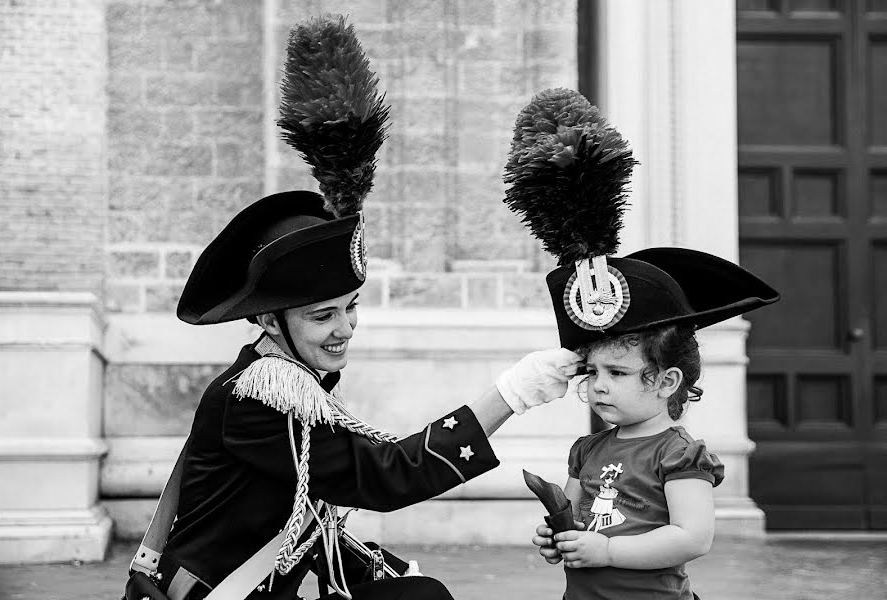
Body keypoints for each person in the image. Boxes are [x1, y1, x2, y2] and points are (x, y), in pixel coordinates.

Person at [127, 17, 583, 600]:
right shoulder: (262, 397)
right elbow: (387, 476)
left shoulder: (291, 381)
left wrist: (380, 569)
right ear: (270, 320)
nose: (344, 328)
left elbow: (302, 519)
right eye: (322, 315)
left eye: (351, 307)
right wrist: (512, 394)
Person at [500, 88, 780, 599]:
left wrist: (607, 551)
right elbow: (578, 518)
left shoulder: (678, 454)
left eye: (619, 373)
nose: (599, 386)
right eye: (593, 373)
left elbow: (692, 537)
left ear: (667, 380)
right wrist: (558, 539)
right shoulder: (587, 449)